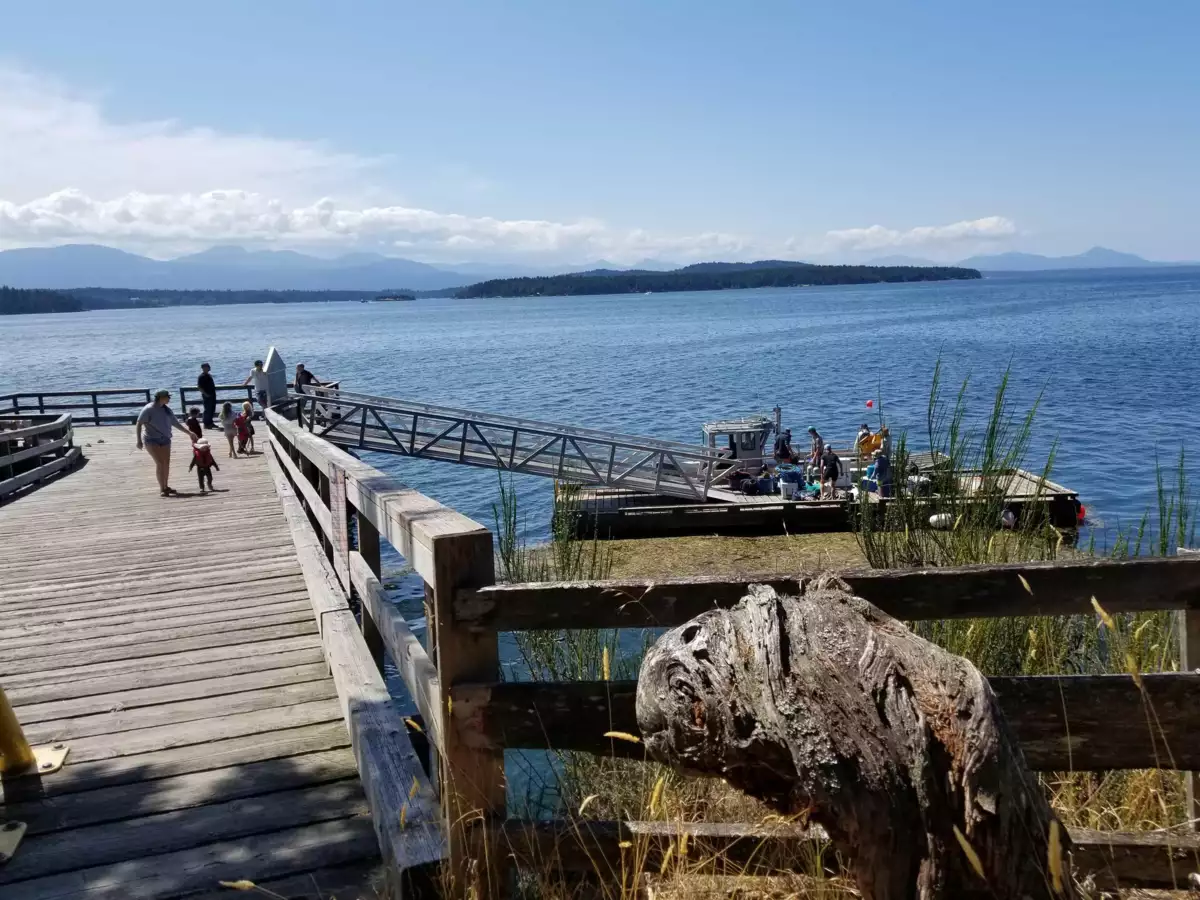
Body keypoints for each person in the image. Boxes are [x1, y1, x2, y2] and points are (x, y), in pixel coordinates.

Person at [135, 390, 196, 496]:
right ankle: (161, 489)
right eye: (167, 397)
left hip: (165, 439)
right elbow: (139, 423)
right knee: (159, 463)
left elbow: (175, 423)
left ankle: (166, 486)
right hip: (151, 439)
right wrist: (139, 440)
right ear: (161, 397)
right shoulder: (149, 409)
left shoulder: (167, 410)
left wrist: (189, 433)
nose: (169, 399)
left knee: (166, 463)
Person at [197, 363, 217, 429]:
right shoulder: (201, 376)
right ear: (204, 368)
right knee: (207, 410)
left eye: (209, 366)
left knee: (212, 409)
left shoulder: (208, 375)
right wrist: (206, 394)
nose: (209, 367)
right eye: (208, 367)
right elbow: (200, 387)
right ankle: (206, 424)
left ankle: (210, 423)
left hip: (212, 395)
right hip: (207, 396)